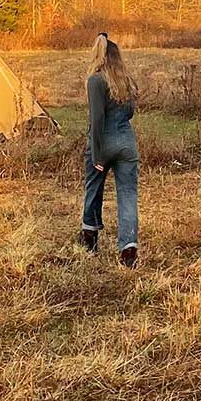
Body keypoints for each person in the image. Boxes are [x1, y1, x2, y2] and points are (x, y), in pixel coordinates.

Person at [80, 32, 139, 267]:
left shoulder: (96, 80)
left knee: (93, 189)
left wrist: (95, 153)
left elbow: (97, 119)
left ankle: (89, 237)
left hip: (103, 143)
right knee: (127, 196)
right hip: (127, 144)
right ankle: (128, 249)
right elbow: (130, 113)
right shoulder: (127, 81)